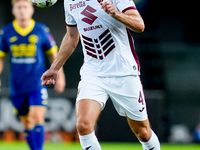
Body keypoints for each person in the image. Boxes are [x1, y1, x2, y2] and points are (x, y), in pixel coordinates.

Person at [41, 0, 161, 150]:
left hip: (124, 72)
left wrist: (115, 13)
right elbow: (72, 36)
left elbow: (139, 25)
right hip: (93, 72)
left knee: (143, 132)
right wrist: (55, 68)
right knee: (83, 125)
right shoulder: (69, 2)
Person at [0, 0, 65, 150]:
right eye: (19, 7)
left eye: (25, 7)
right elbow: (1, 58)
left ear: (32, 10)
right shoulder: (7, 32)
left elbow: (54, 56)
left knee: (37, 116)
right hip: (17, 84)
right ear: (14, 11)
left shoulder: (41, 30)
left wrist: (60, 77)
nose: (22, 10)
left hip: (37, 82)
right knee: (27, 122)